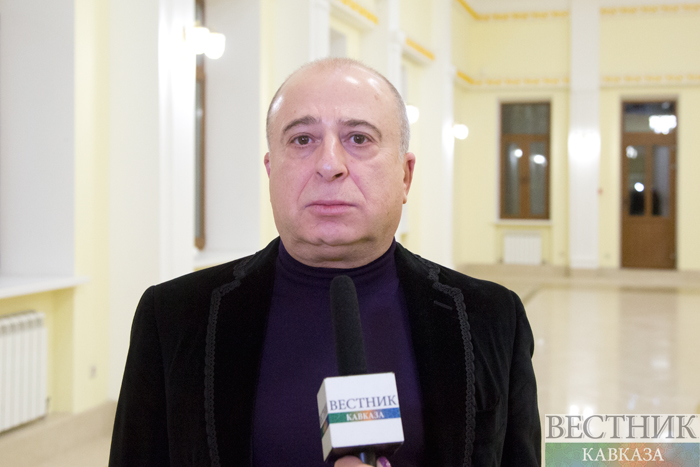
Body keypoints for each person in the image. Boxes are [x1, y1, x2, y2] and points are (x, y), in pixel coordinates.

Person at [109, 57, 541, 467]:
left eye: (359, 138)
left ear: (405, 175)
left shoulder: (491, 318)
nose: (330, 165)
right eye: (303, 140)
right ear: (270, 171)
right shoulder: (174, 317)